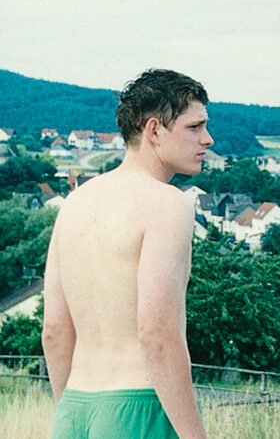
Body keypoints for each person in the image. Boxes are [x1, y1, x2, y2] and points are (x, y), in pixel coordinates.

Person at [42, 68, 213, 438]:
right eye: (194, 127)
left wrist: (68, 411)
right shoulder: (168, 204)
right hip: (140, 408)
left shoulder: (75, 203)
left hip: (74, 410)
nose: (208, 139)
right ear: (154, 130)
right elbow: (157, 333)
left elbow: (54, 330)